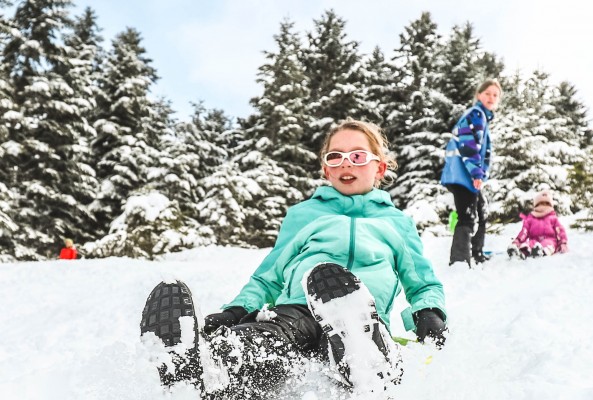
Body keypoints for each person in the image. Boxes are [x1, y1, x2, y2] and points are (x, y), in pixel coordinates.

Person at [140, 119, 447, 399]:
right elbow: (269, 276)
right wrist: (236, 310)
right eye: (335, 157)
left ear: (379, 168)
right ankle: (208, 369)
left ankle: (371, 370)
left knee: (357, 336)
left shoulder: (396, 222)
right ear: (326, 170)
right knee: (270, 338)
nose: (345, 164)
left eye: (357, 156)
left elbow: (421, 282)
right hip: (297, 309)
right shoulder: (304, 215)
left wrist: (429, 313)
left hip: (361, 317)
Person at [441, 78, 502, 267]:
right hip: (463, 175)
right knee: (467, 215)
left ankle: (476, 252)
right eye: (487, 93)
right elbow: (468, 145)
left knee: (481, 211)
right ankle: (459, 261)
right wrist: (476, 173)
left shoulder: (481, 116)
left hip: (464, 175)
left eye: (495, 95)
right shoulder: (476, 114)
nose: (491, 97)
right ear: (478, 95)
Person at [507, 189, 569, 259]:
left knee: (547, 244)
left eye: (546, 204)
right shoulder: (530, 219)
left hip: (550, 240)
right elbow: (524, 231)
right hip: (534, 240)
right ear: (536, 205)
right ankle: (520, 253)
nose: (543, 206)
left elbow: (560, 231)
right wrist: (517, 241)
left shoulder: (553, 218)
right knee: (528, 244)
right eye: (541, 203)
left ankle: (541, 251)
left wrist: (563, 243)